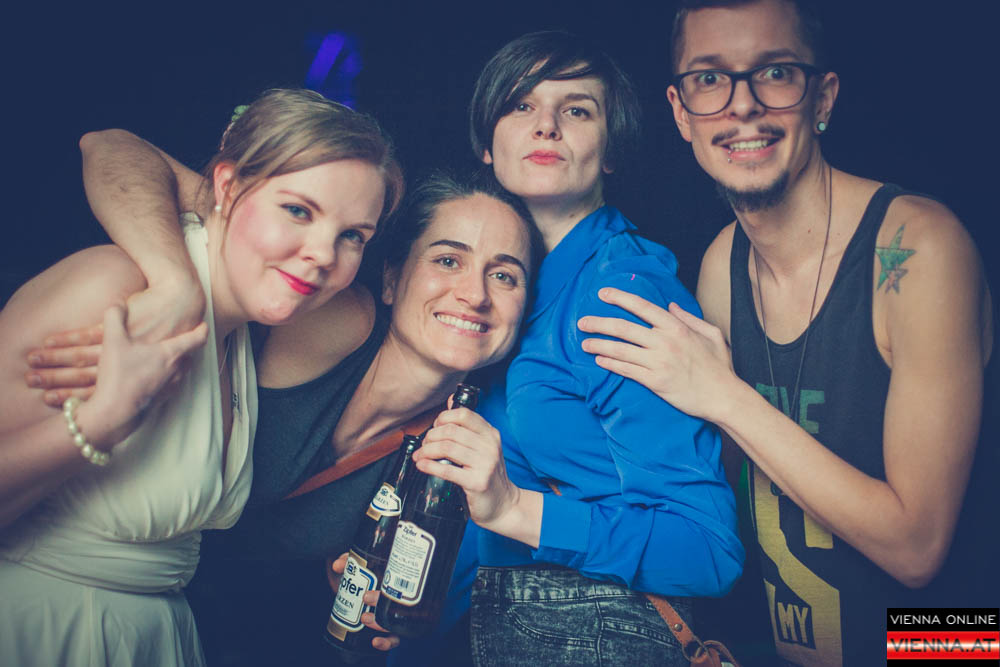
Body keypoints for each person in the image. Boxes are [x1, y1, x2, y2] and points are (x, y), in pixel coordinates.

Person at [575, 1, 996, 665]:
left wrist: (723, 396)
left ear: (821, 97)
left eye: (774, 72)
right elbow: (720, 502)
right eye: (710, 79)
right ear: (682, 114)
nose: (742, 106)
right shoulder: (723, 264)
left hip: (950, 650)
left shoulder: (918, 247)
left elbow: (918, 549)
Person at [26, 163, 541, 665]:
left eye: (504, 276)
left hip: (194, 633)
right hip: (67, 588)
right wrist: (174, 284)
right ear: (391, 279)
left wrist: (338, 579)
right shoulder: (328, 317)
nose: (475, 295)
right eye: (448, 260)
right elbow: (115, 150)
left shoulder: (453, 450)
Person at [0, 87, 402, 666]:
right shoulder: (112, 292)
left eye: (353, 236)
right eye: (298, 210)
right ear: (226, 188)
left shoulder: (239, 334)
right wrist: (101, 420)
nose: (322, 253)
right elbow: (107, 143)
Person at [408, 30, 744, 666]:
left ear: (610, 150)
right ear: (486, 143)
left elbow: (706, 550)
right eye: (521, 105)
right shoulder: (493, 291)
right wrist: (409, 611)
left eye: (577, 110)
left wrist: (518, 510)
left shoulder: (619, 292)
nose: (547, 126)